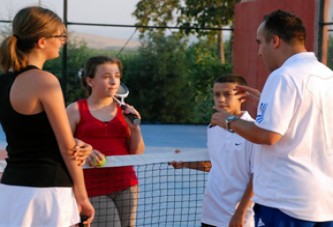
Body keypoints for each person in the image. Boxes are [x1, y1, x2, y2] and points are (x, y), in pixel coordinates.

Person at [212, 10, 333, 226]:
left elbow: (268, 136)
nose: (259, 52)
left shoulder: (283, 76)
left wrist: (228, 121)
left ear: (275, 41)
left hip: (286, 203)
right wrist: (266, 104)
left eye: (260, 43)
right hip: (323, 203)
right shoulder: (326, 75)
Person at [0, 6, 95, 226]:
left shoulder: (3, 82)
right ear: (42, 42)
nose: (63, 40)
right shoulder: (45, 81)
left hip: (12, 191)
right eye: (60, 35)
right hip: (49, 193)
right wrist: (82, 197)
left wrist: (77, 142)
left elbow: (32, 135)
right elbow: (66, 147)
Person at [67, 55, 145, 227]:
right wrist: (83, 149)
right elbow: (62, 141)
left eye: (116, 76)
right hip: (92, 187)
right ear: (90, 81)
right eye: (106, 76)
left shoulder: (124, 112)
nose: (113, 81)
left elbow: (137, 153)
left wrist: (134, 128)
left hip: (127, 184)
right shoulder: (75, 110)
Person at [170, 75, 256, 227]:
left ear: (242, 97)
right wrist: (184, 163)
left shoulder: (253, 130)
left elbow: (258, 176)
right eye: (217, 94)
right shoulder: (213, 127)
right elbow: (214, 165)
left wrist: (240, 212)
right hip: (211, 215)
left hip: (240, 217)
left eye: (227, 94)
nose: (221, 99)